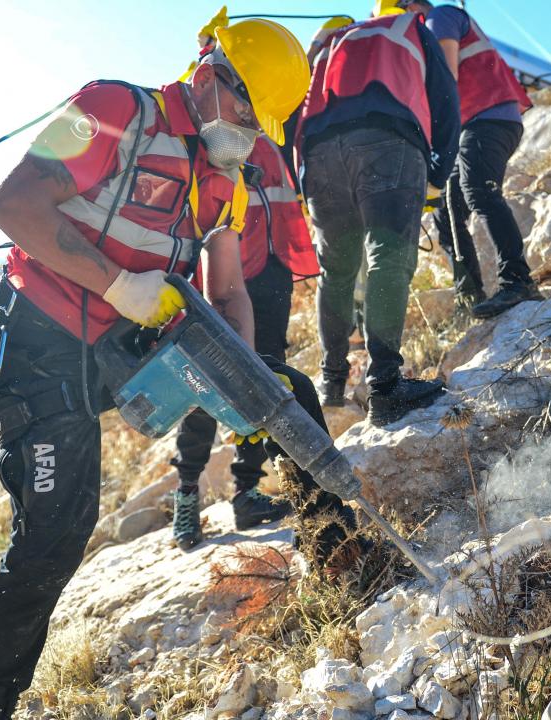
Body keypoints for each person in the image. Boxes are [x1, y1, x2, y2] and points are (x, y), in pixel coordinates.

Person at [0, 20, 309, 719]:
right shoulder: (113, 110)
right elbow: (13, 205)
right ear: (209, 74)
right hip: (40, 343)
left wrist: (249, 388)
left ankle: (336, 540)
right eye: (245, 114)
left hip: (115, 351)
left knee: (286, 389)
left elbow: (229, 293)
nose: (249, 134)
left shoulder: (224, 182)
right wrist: (118, 284)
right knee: (58, 529)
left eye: (260, 126)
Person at [168, 15, 352, 552]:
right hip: (220, 267)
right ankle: (186, 495)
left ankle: (247, 491)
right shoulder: (206, 116)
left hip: (270, 264)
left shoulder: (262, 113)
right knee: (205, 381)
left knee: (265, 376)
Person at [297, 8, 461, 426]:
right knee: (388, 256)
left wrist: (301, 172)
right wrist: (438, 174)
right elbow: (446, 97)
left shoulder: (330, 41)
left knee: (336, 271)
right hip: (388, 138)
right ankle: (385, 387)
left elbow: (296, 104)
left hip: (319, 151)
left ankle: (332, 381)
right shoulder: (411, 27)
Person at [384, 0, 540, 319]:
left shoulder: (440, 17)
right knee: (448, 209)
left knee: (479, 191)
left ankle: (518, 281)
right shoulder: (431, 27)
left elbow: (446, 79)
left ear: (410, 7)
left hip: (490, 118)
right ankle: (468, 295)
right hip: (473, 124)